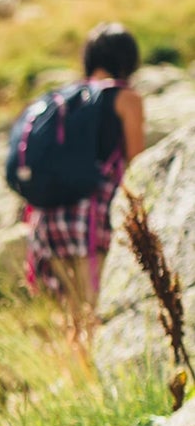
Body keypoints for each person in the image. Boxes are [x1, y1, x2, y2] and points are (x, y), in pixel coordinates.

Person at [24, 22, 146, 332]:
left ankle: (69, 362)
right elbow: (139, 165)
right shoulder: (126, 98)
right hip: (90, 219)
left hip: (48, 219)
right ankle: (88, 363)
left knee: (71, 317)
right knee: (95, 312)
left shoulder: (64, 98)